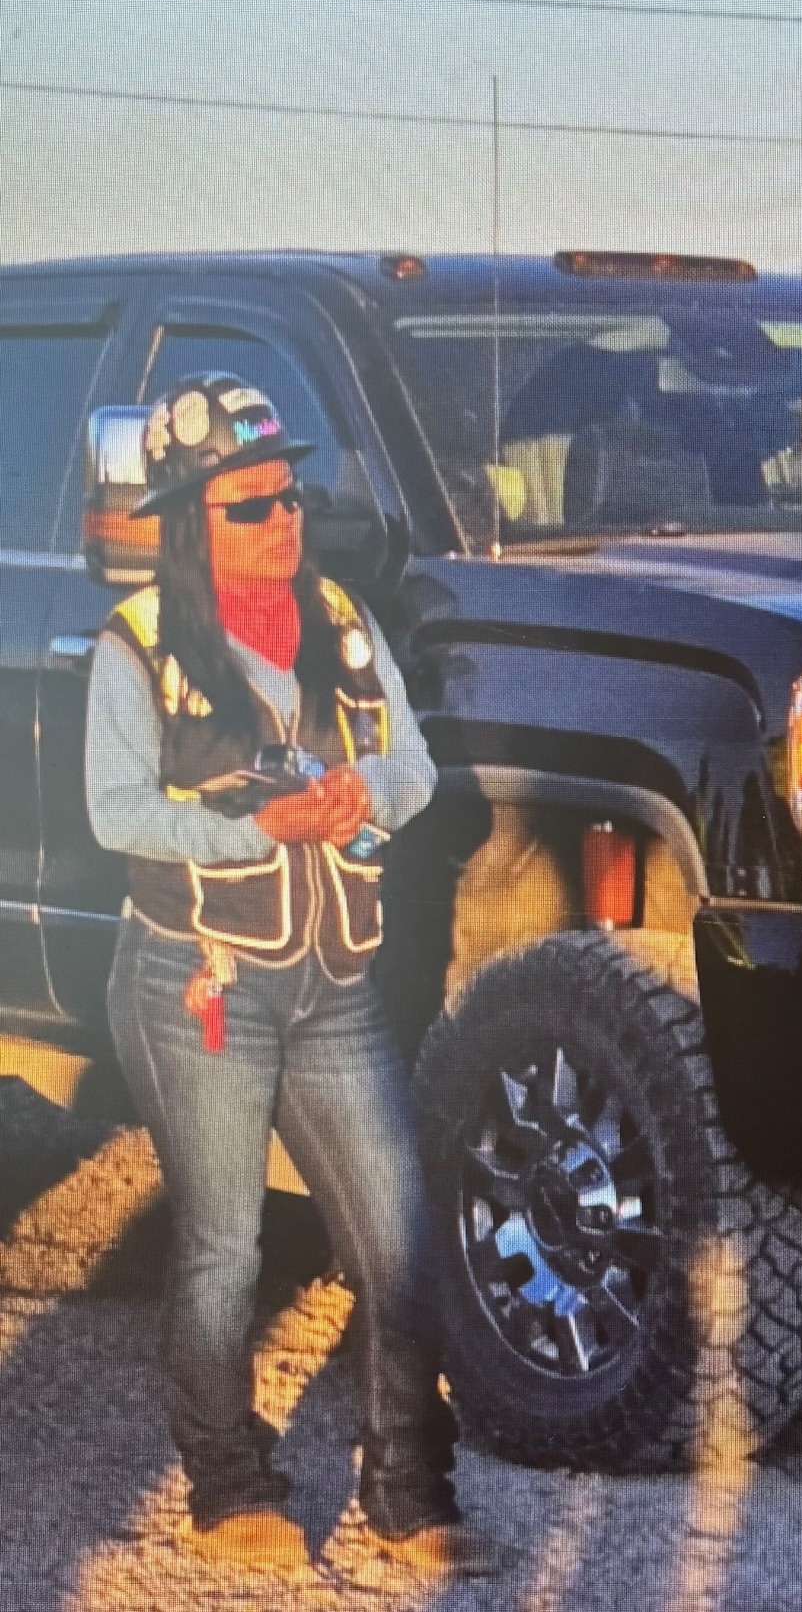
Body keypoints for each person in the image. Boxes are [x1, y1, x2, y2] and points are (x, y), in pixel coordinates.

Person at [85, 374, 505, 1576]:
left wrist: (362, 794)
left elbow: (415, 768)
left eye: (290, 496)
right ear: (190, 520)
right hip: (194, 980)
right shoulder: (138, 647)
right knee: (224, 1250)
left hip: (335, 981)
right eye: (251, 505)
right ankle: (227, 1486)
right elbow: (113, 809)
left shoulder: (345, 620)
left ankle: (411, 1491)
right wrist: (259, 828)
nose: (283, 521)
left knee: (398, 1233)